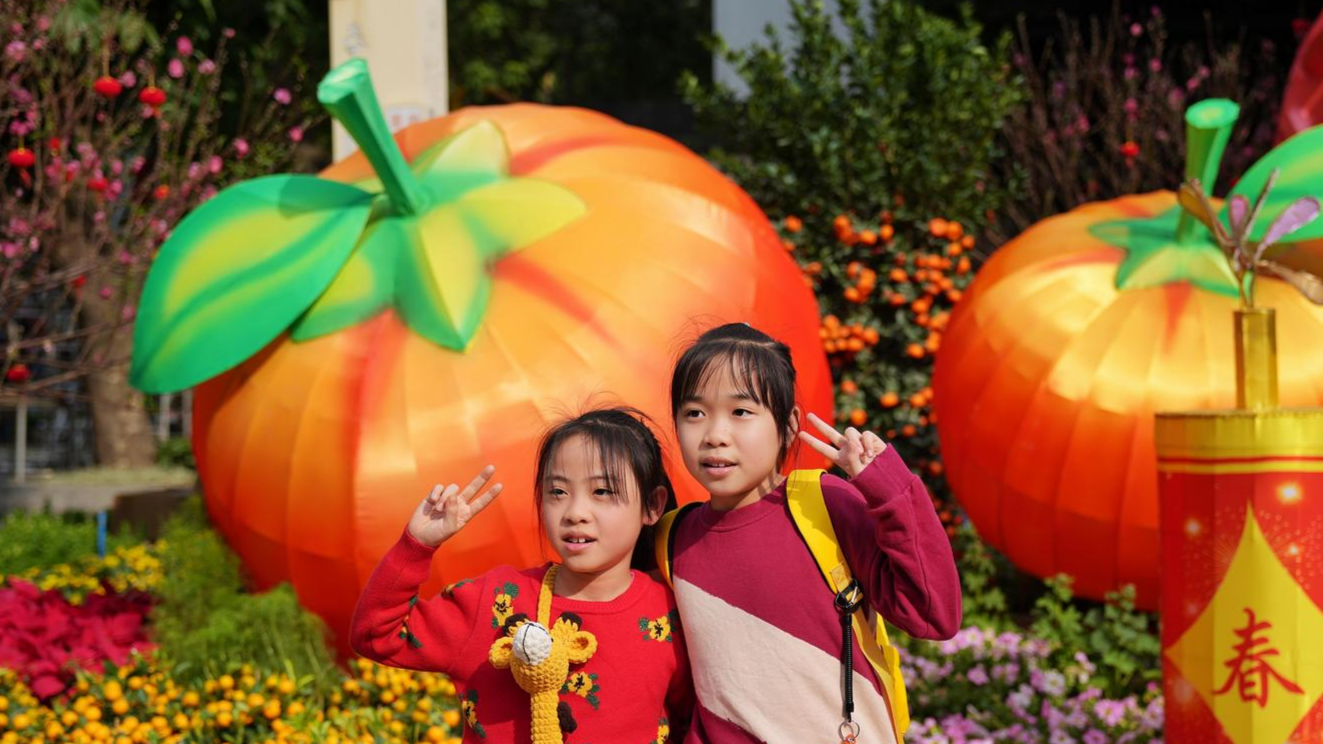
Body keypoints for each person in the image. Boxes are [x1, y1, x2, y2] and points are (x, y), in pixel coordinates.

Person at [665, 323, 961, 744]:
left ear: (788, 426)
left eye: (741, 412)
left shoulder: (822, 505)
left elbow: (933, 614)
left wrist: (891, 491)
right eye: (694, 413)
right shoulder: (670, 539)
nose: (714, 435)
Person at [351, 407, 691, 744]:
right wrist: (417, 546)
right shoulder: (496, 601)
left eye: (602, 492)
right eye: (558, 492)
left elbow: (689, 721)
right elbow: (378, 635)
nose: (575, 513)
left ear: (653, 506)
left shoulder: (671, 612)